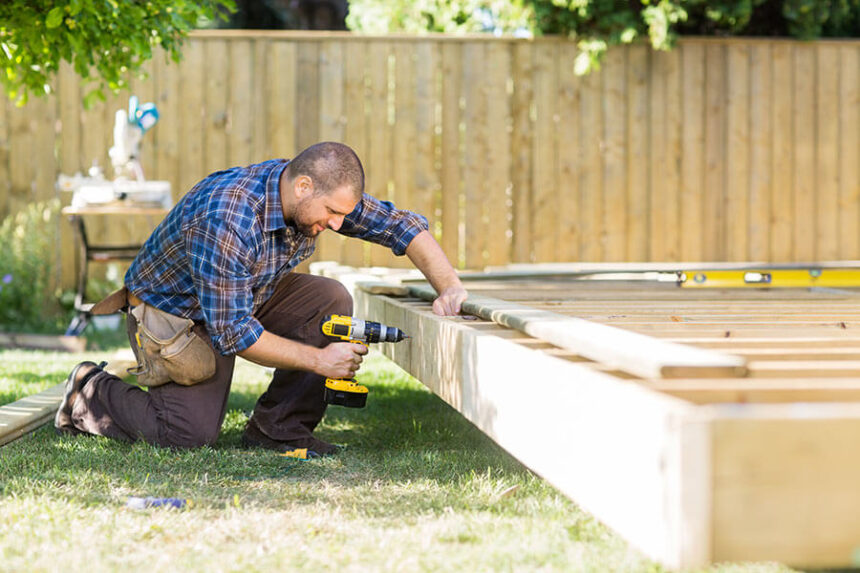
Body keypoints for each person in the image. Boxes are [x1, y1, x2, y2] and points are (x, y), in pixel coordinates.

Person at [54, 142, 467, 455]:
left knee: (330, 299)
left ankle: (278, 428)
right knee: (186, 434)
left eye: (344, 214)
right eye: (332, 213)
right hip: (174, 312)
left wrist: (448, 287)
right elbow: (234, 332)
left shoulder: (316, 194)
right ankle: (88, 391)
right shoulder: (229, 217)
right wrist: (321, 361)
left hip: (244, 294)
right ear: (303, 186)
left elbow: (400, 226)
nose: (339, 223)